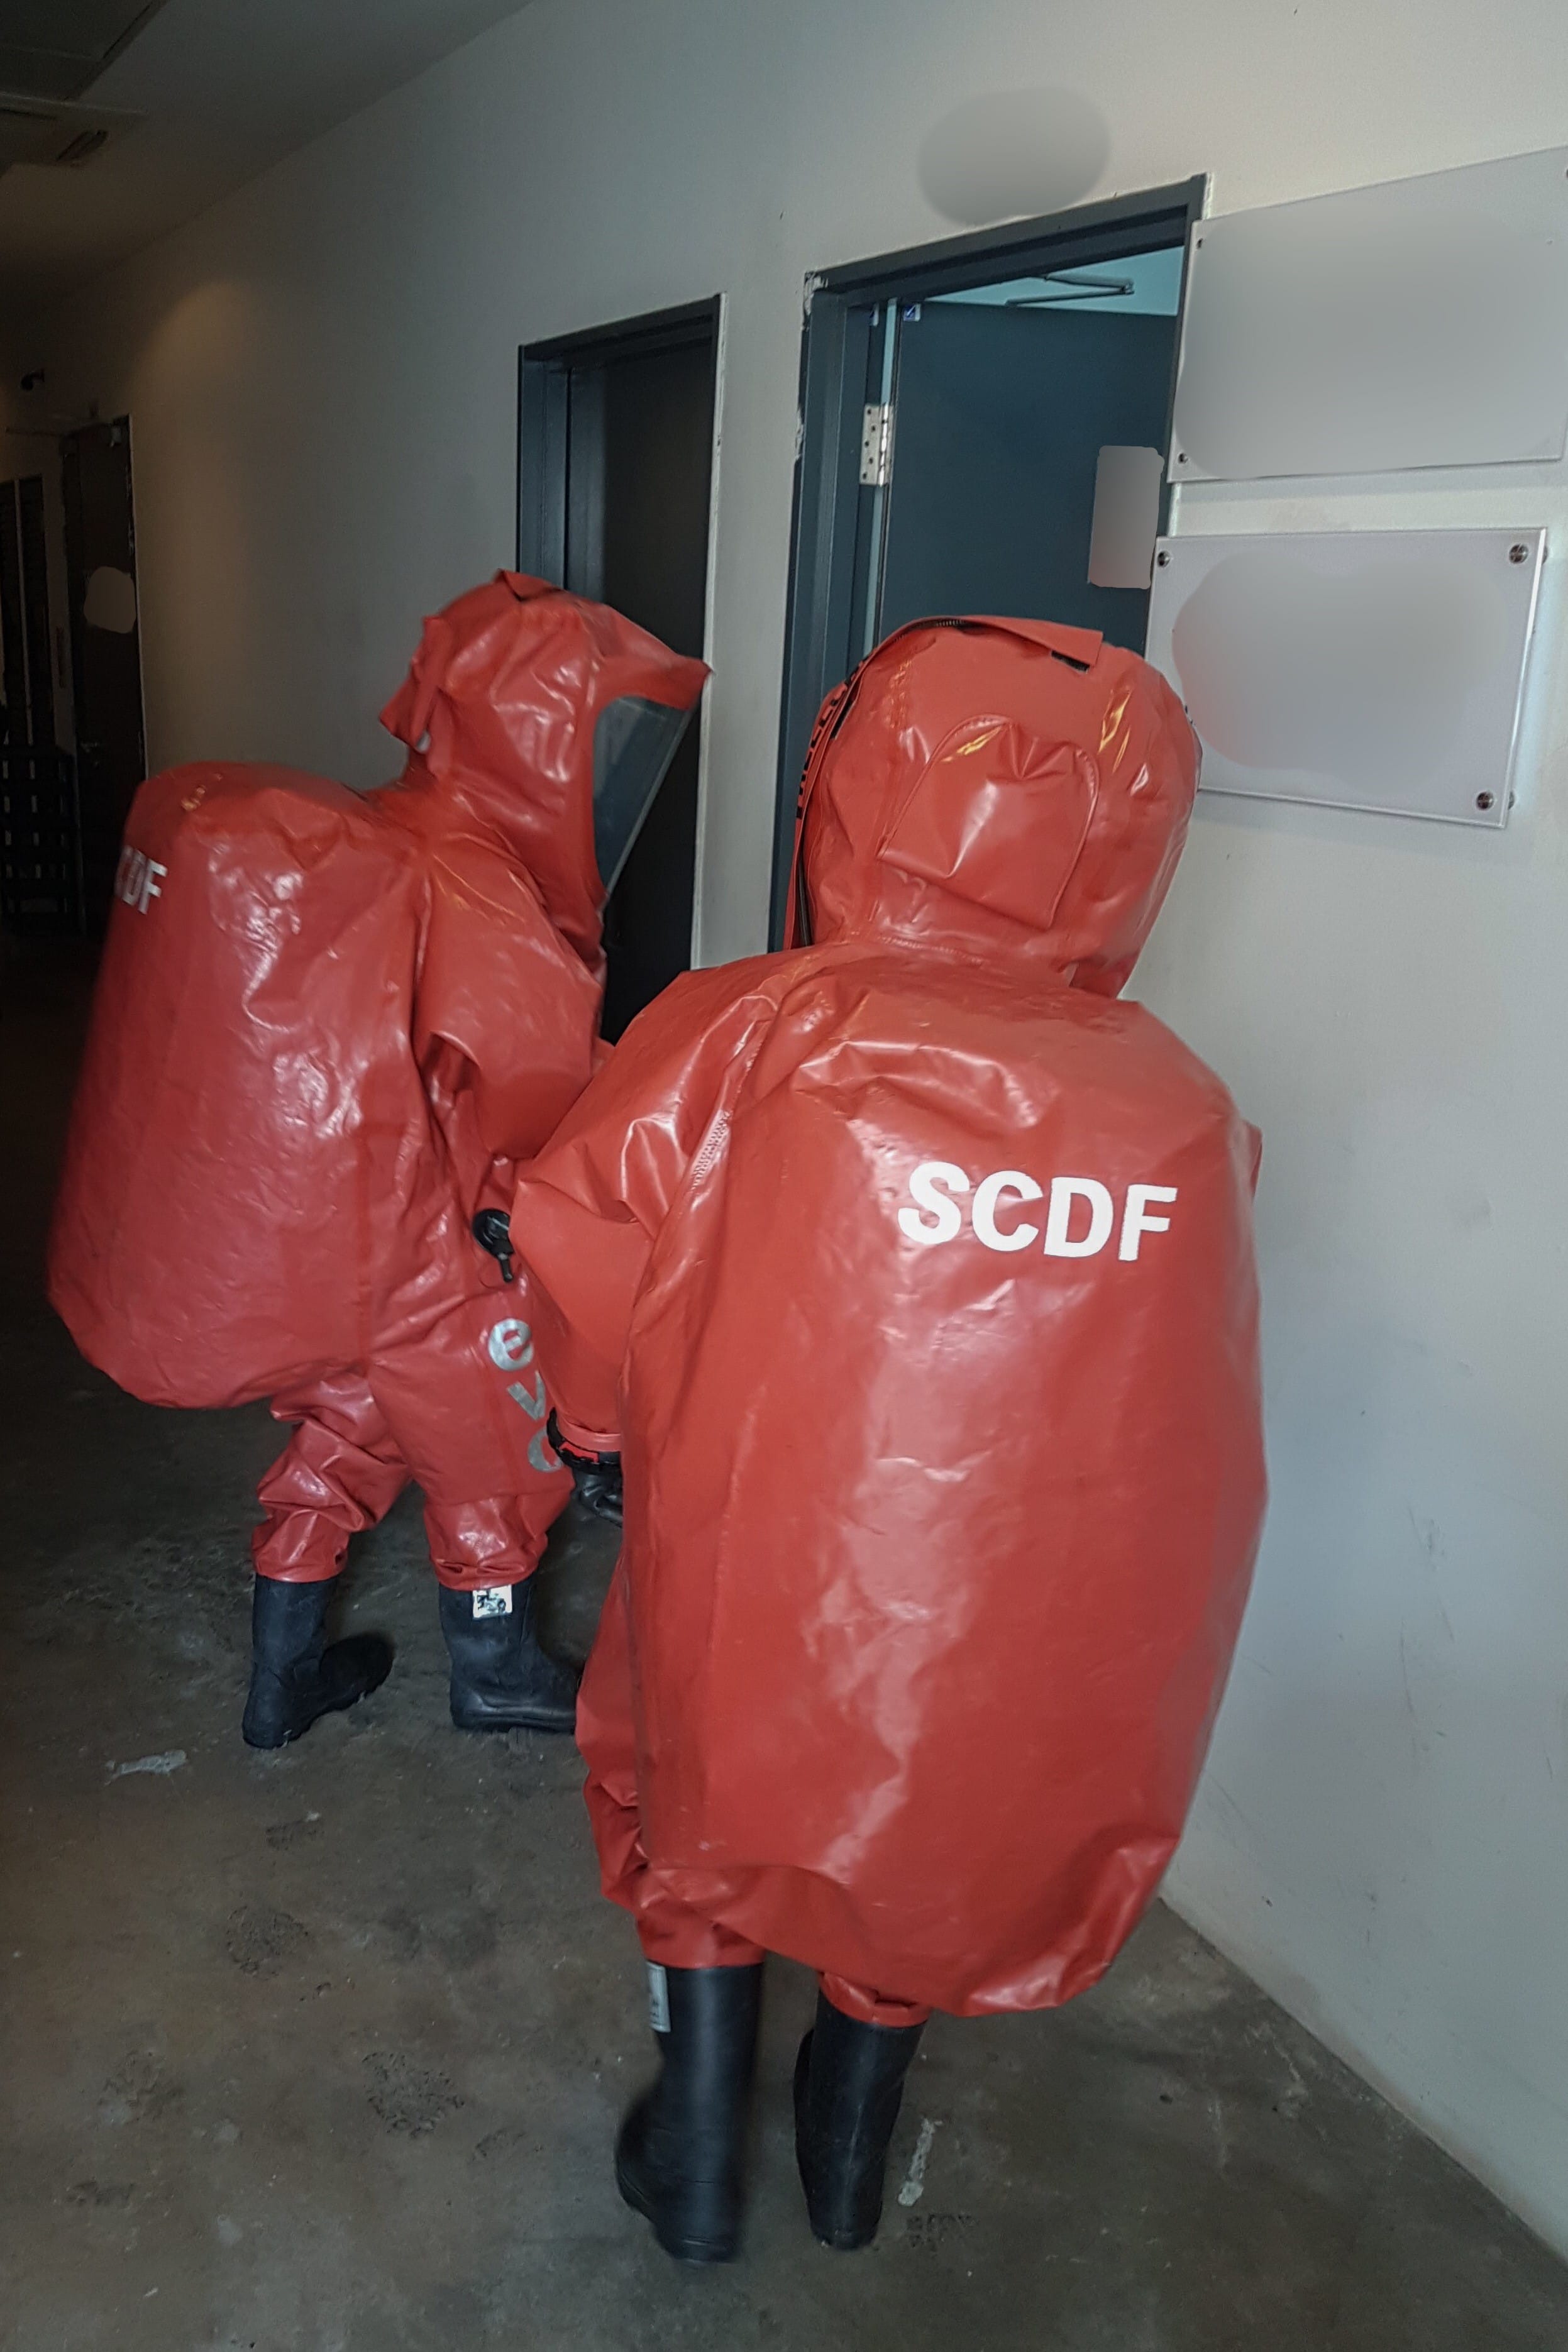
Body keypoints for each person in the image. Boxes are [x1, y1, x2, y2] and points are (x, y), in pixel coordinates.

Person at [511, 615, 1267, 2262]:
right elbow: (1186, 1406)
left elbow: (583, 1236)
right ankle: (846, 2155)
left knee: (690, 1784)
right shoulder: (1179, 1106)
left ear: (853, 784)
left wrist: (590, 1432)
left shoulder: (745, 1030)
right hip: (1022, 1600)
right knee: (930, 1814)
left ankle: (694, 2151)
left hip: (755, 1540)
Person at [48, 573, 705, 1747]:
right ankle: (497, 1670)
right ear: (537, 748)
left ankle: (281, 1680)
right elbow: (539, 1112)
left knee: (344, 1443)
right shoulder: (489, 898)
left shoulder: (392, 838)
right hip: (439, 1256)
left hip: (351, 1250)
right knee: (500, 1463)